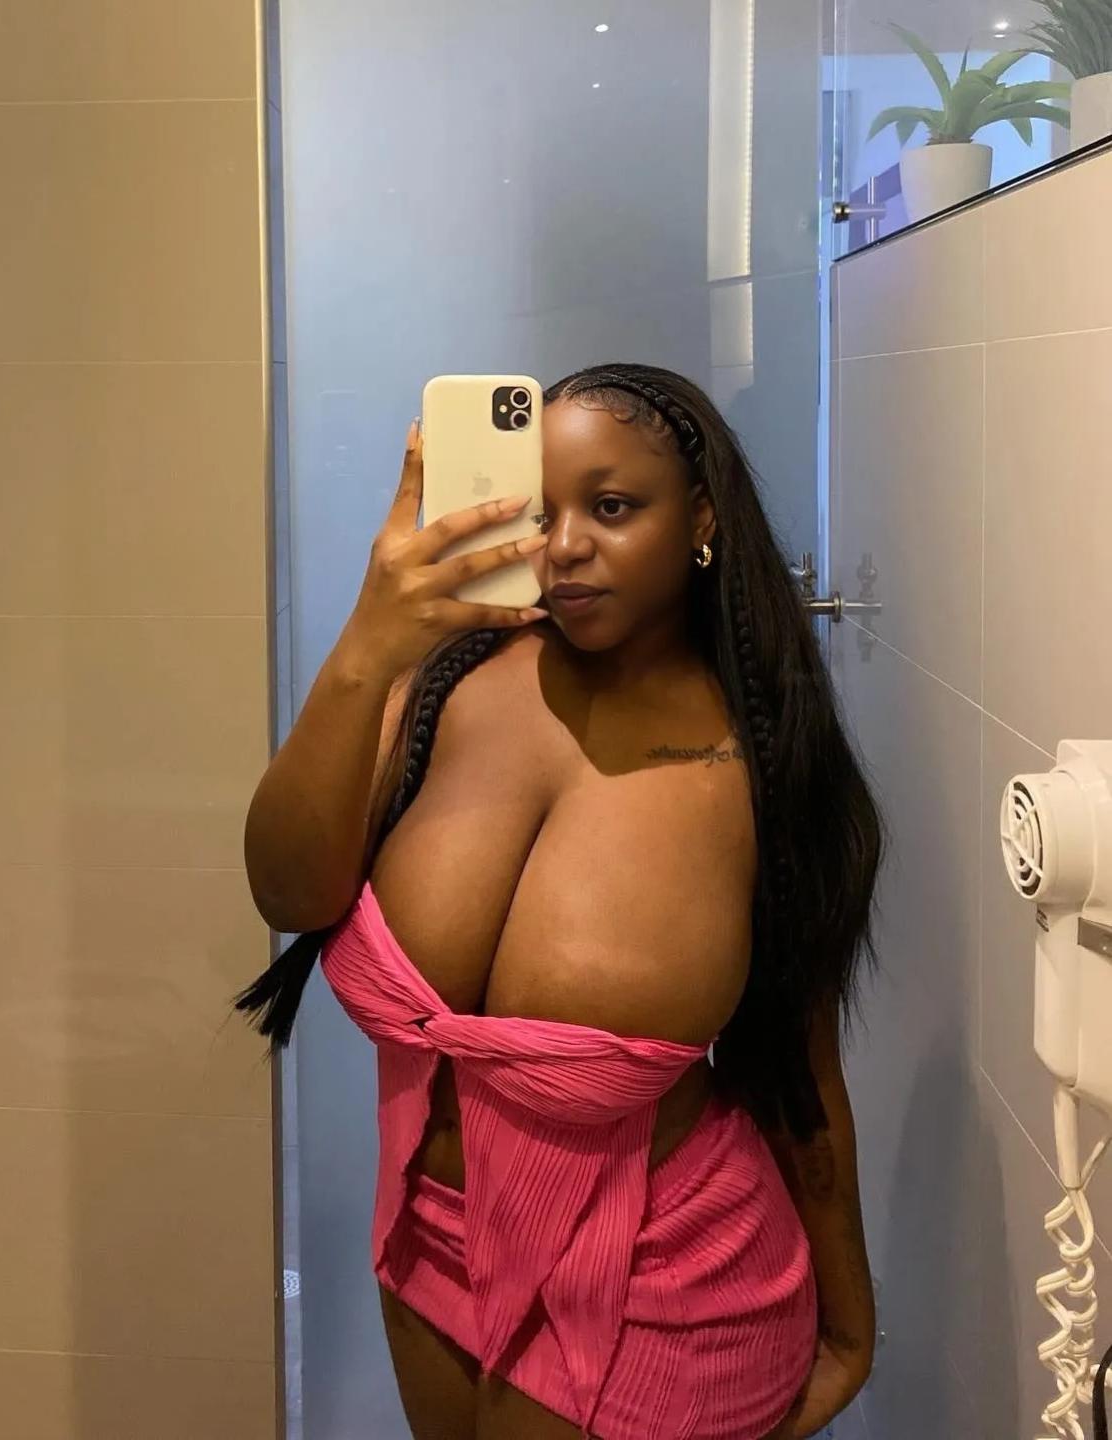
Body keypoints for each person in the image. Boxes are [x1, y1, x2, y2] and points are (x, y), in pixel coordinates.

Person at [240, 364, 881, 1440]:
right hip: (425, 1249)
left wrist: (852, 1325)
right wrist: (366, 648)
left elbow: (797, 1075)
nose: (565, 546)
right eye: (540, 513)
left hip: (670, 1288)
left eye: (613, 507)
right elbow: (288, 890)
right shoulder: (444, 682)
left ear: (702, 520)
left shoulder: (760, 764)